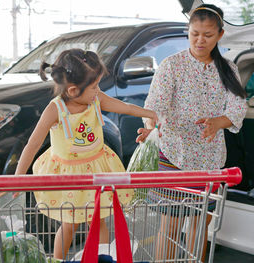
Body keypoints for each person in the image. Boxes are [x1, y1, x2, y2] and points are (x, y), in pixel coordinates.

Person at [14, 48, 158, 260]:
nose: (98, 90)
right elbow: (32, 145)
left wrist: (150, 113)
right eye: (94, 86)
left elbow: (125, 107)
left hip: (97, 170)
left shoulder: (95, 99)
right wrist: (18, 177)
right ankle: (58, 260)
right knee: (69, 224)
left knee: (98, 221)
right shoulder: (56, 109)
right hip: (69, 176)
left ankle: (101, 257)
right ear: (73, 90)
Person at [136, 4, 247, 261]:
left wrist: (219, 122)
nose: (200, 40)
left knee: (201, 227)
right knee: (171, 228)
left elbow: (238, 105)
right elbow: (154, 105)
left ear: (220, 35)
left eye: (207, 35)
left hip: (211, 160)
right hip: (174, 155)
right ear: (188, 31)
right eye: (194, 33)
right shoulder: (172, 65)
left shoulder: (228, 69)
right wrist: (150, 129)